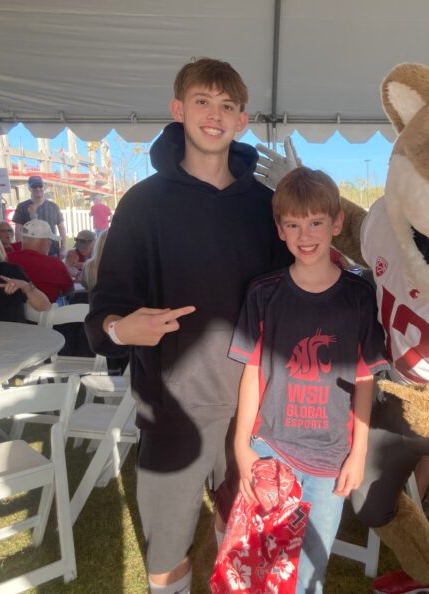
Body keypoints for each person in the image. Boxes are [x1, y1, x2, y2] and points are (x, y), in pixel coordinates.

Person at [85, 58, 292, 594]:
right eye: (203, 101)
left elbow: (293, 296)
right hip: (173, 409)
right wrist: (118, 329)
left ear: (242, 120)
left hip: (252, 408)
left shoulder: (267, 208)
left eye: (228, 106)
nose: (215, 115)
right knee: (166, 553)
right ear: (179, 111)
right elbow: (104, 307)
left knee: (239, 534)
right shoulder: (142, 205)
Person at [230, 167, 388, 593]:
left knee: (309, 571)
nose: (306, 234)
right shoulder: (263, 293)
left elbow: (364, 379)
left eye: (316, 222)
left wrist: (359, 452)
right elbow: (251, 370)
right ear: (280, 230)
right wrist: (241, 445)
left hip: (330, 460)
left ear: (337, 223)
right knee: (266, 564)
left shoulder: (359, 296)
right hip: (271, 448)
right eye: (294, 224)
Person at [8, 220, 74, 303]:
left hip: (15, 312)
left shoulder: (6, 259)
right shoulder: (55, 264)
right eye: (49, 240)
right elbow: (69, 290)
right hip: (46, 313)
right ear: (44, 241)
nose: (50, 243)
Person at [12, 175, 67, 257]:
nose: (38, 189)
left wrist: (63, 248)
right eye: (34, 186)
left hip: (52, 250)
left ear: (43, 187)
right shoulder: (22, 206)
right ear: (29, 188)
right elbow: (18, 230)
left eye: (40, 186)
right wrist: (21, 249)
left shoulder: (53, 206)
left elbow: (61, 228)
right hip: (31, 251)